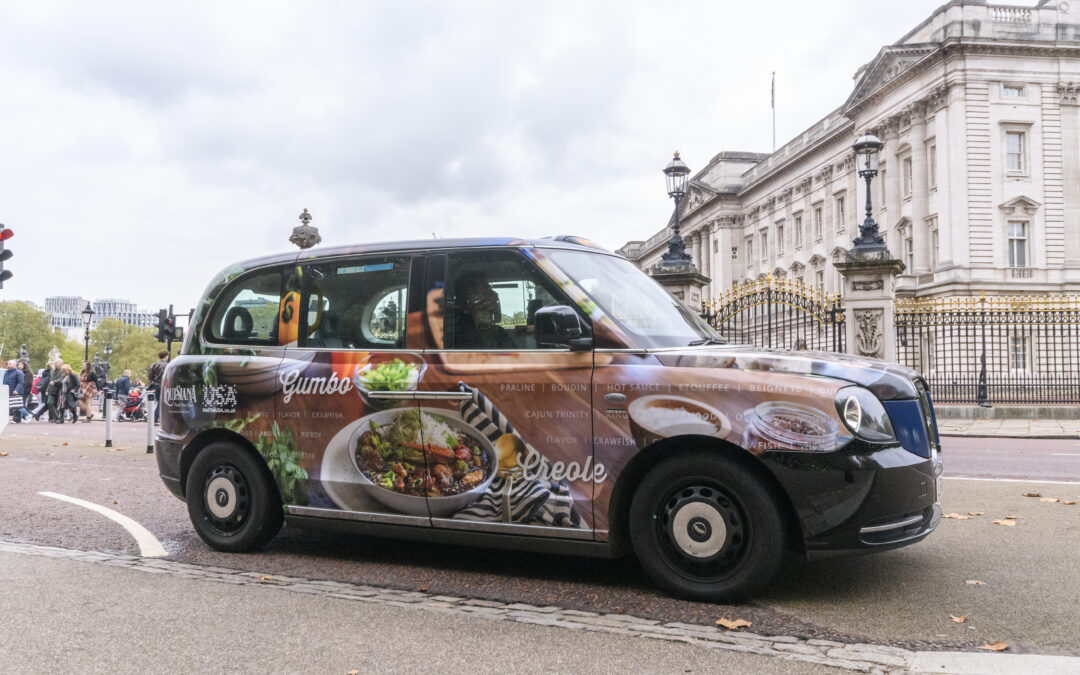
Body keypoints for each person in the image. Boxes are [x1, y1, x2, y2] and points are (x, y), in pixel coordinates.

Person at [450, 271, 513, 349]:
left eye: (490, 289)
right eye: (486, 289)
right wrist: (482, 326)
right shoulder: (456, 331)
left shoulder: (499, 331)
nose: (494, 294)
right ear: (470, 297)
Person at [148, 350, 169, 423]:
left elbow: (150, 377)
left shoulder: (154, 365)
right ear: (166, 356)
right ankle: (155, 418)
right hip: (163, 385)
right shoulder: (167, 365)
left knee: (158, 402)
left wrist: (151, 385)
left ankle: (155, 417)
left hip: (156, 385)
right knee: (161, 402)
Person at [3, 360, 25, 424]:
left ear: (14, 365)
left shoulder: (18, 373)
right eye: (8, 364)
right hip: (8, 391)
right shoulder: (6, 372)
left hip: (15, 391)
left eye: (10, 364)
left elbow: (20, 382)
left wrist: (17, 390)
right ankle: (14, 419)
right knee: (11, 406)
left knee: (16, 406)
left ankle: (17, 419)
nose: (8, 365)